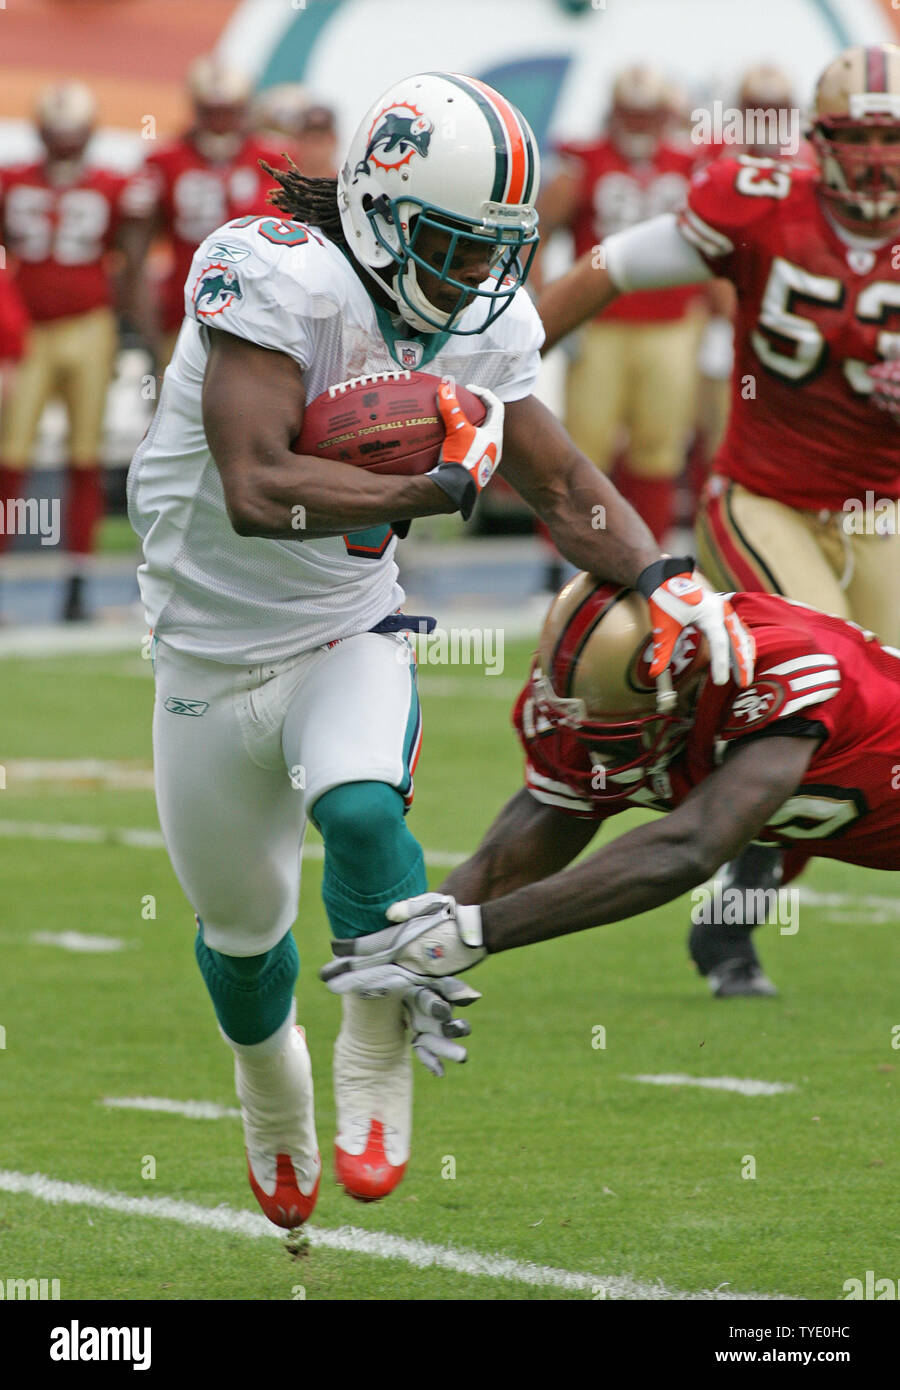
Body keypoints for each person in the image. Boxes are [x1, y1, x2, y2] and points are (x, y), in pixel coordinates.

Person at [127, 70, 752, 1228]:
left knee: (366, 812)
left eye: (497, 250)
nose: (479, 277)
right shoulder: (273, 275)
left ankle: (376, 1035)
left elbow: (561, 482)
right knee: (242, 933)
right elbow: (258, 486)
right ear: (377, 207)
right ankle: (271, 1086)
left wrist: (664, 580)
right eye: (455, 245)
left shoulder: (485, 322)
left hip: (345, 628)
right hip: (205, 658)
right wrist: (434, 482)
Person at [537, 42, 900, 995]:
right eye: (856, 139)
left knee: (874, 734)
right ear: (818, 144)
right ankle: (696, 846)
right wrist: (507, 362)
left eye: (891, 139)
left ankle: (734, 906)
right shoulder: (758, 198)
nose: (874, 161)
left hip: (882, 509)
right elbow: (614, 264)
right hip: (767, 491)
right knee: (828, 686)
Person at [322, 574, 900, 1009]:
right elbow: (527, 842)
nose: (593, 751)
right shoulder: (600, 700)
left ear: (685, 684)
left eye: (616, 736)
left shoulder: (783, 671)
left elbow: (690, 847)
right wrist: (425, 933)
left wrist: (475, 934)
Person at [0, 81, 152, 620]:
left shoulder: (114, 184)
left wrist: (137, 322)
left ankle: (77, 580)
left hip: (90, 326)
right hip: (30, 329)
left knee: (84, 459)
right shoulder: (12, 179)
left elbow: (133, 253)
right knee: (11, 456)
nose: (64, 143)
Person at [536, 64, 705, 546]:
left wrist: (716, 317)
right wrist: (546, 305)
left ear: (665, 115)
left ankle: (648, 553)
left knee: (659, 447)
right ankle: (563, 555)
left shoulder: (688, 163)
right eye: (630, 115)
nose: (638, 126)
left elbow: (719, 245)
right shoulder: (584, 165)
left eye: (647, 115)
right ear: (613, 113)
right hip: (600, 322)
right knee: (583, 444)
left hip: (672, 324)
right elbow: (538, 235)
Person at [129, 56, 280, 370]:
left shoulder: (273, 159)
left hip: (260, 320)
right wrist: (149, 327)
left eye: (228, 113)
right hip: (183, 315)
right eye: (212, 114)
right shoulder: (165, 161)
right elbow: (135, 253)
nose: (220, 124)